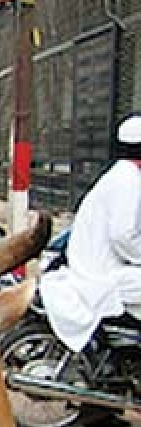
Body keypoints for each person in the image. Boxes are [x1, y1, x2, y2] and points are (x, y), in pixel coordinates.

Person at [40, 112, 141, 355]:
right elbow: (123, 234)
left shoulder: (120, 176)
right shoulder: (127, 180)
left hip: (98, 268)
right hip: (101, 275)